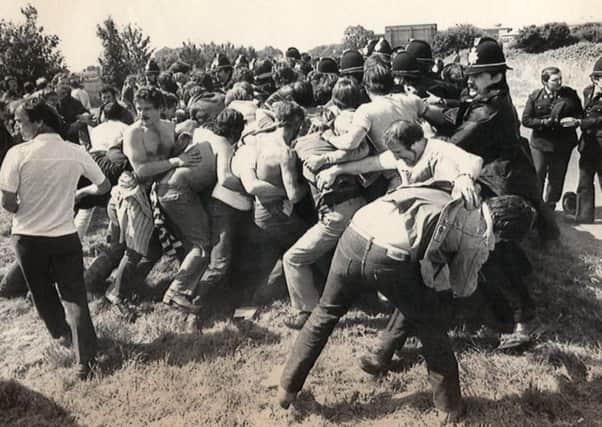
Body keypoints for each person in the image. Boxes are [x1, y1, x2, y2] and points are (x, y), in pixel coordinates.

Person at [279, 120, 488, 423]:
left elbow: (473, 160)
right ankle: (450, 407)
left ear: (418, 144)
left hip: (361, 232)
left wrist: (466, 177)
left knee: (325, 311)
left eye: (403, 155)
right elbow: (376, 161)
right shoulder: (409, 158)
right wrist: (336, 168)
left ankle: (287, 388)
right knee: (430, 323)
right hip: (394, 248)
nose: (400, 161)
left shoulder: (442, 152)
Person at [0, 98, 110, 379]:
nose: (16, 126)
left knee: (42, 293)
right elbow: (104, 184)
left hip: (27, 237)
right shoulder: (75, 151)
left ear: (39, 122)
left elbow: (8, 203)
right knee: (75, 296)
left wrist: (25, 203)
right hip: (64, 234)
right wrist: (78, 194)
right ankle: (85, 359)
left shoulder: (17, 153)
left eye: (20, 121)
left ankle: (61, 333)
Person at [103, 86, 202, 317]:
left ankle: (135, 286)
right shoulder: (134, 133)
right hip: (135, 189)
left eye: (148, 109)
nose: (142, 114)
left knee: (156, 246)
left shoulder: (168, 127)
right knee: (136, 248)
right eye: (138, 109)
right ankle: (115, 294)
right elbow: (141, 169)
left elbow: (179, 143)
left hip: (159, 189)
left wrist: (186, 138)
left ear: (161, 108)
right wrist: (177, 161)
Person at [281, 77, 370, 329]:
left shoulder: (300, 148)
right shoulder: (331, 139)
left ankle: (305, 311)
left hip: (337, 213)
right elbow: (361, 150)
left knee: (293, 258)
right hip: (361, 205)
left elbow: (294, 195)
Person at [522, 66, 583, 209]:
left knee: (557, 177)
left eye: (560, 79)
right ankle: (536, 205)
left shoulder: (570, 95)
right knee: (538, 174)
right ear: (545, 82)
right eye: (555, 80)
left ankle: (550, 205)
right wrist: (542, 122)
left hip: (563, 144)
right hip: (541, 144)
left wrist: (573, 121)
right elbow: (526, 119)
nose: (560, 82)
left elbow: (580, 114)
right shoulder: (535, 96)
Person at [573, 57, 602, 223]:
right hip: (588, 145)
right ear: (596, 79)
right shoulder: (587, 92)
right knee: (584, 181)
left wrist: (580, 122)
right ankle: (584, 216)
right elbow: (582, 112)